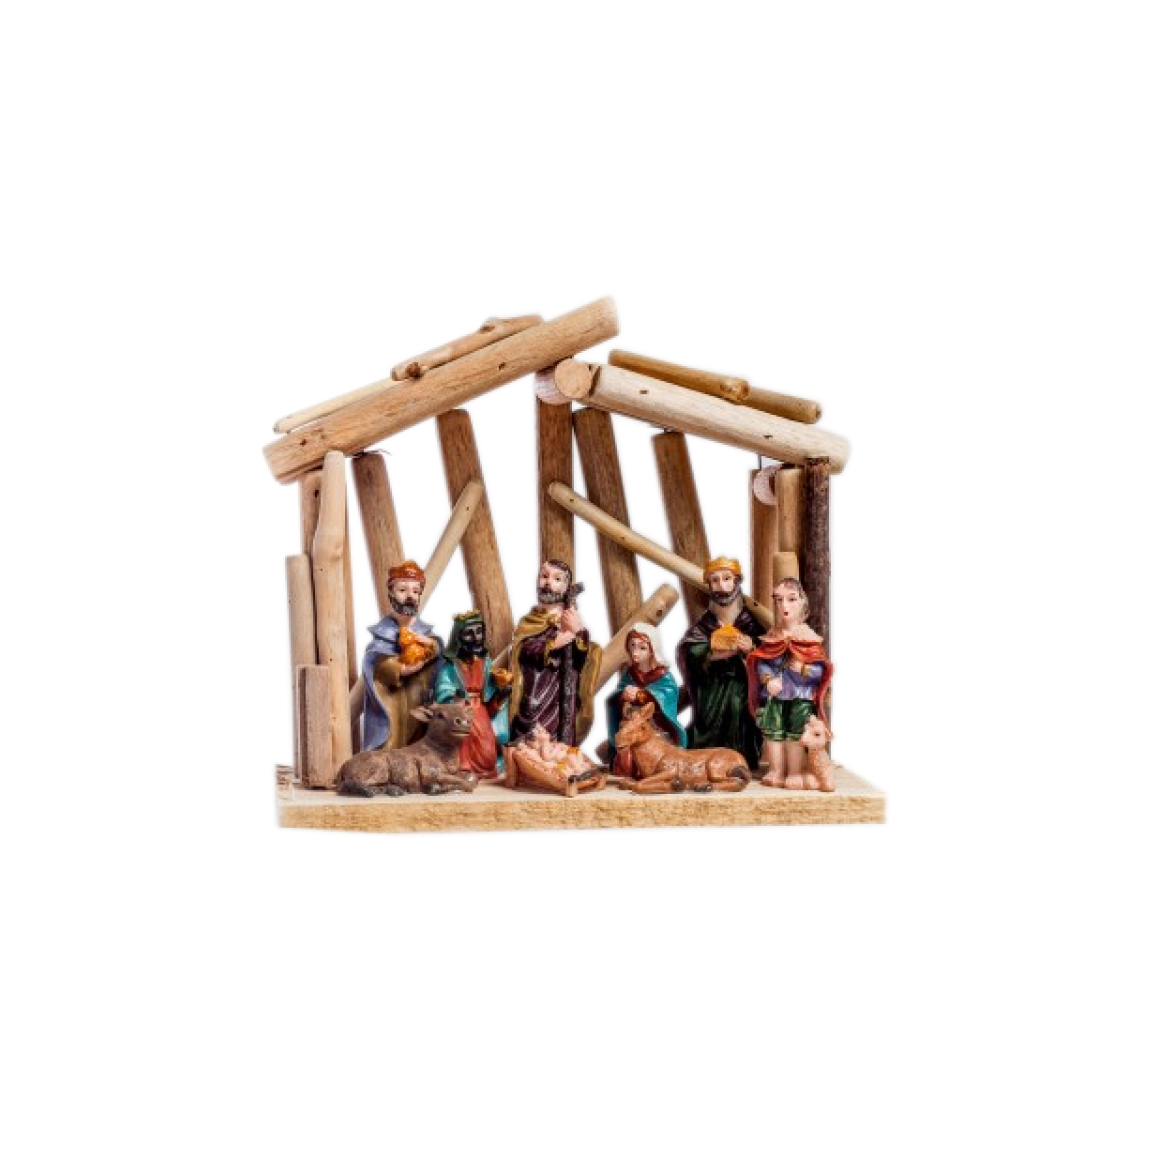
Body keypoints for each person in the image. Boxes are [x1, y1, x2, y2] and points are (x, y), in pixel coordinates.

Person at [675, 556, 763, 769]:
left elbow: (767, 655)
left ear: (737, 582)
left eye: (727, 579)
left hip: (740, 688)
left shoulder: (750, 623)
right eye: (715, 580)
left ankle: (739, 762)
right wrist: (713, 653)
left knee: (738, 715)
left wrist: (750, 648)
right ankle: (705, 761)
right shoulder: (705, 625)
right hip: (711, 690)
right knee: (707, 725)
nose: (721, 586)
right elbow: (687, 651)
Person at [745, 577, 833, 788]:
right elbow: (762, 663)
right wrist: (768, 680)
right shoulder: (773, 636)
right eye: (779, 599)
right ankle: (776, 770)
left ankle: (794, 772)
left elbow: (821, 670)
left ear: (802, 603)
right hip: (775, 696)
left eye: (791, 599)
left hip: (800, 696)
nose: (785, 605)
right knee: (773, 732)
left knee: (797, 733)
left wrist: (803, 669)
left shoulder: (809, 639)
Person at [507, 559, 602, 747]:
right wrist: (554, 643)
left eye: (557, 579)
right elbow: (523, 649)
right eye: (544, 576)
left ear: (566, 588)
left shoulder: (571, 621)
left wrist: (579, 632)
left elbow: (583, 659)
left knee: (558, 736)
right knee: (530, 734)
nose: (548, 582)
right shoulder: (530, 621)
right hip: (534, 690)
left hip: (560, 697)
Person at [360, 561, 443, 751]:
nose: (410, 596)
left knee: (419, 742)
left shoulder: (426, 635)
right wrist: (398, 668)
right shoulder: (383, 634)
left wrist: (433, 647)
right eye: (402, 590)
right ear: (391, 593)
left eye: (415, 591)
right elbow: (373, 662)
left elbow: (441, 660)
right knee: (391, 744)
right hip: (392, 702)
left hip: (419, 698)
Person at [431, 611, 511, 779]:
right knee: (462, 736)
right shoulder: (450, 666)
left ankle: (485, 770)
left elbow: (489, 698)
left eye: (479, 632)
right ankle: (463, 769)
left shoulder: (486, 663)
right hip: (459, 712)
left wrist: (501, 695)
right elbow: (442, 691)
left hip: (480, 711)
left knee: (487, 753)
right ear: (458, 638)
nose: (476, 638)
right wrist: (456, 696)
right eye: (469, 633)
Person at [605, 623, 686, 779]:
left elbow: (667, 696)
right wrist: (623, 695)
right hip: (632, 729)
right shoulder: (630, 674)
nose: (635, 652)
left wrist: (642, 695)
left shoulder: (663, 676)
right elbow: (615, 698)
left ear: (652, 650)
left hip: (655, 729)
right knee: (626, 759)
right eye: (632, 646)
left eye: (642, 648)